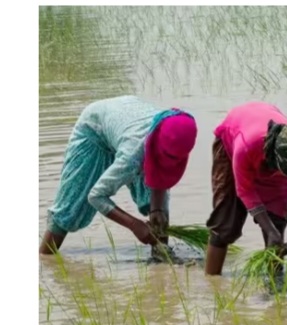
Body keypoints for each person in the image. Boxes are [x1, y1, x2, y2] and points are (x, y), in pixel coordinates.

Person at [40, 96, 198, 255]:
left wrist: (156, 209)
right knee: (69, 207)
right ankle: (44, 260)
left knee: (159, 206)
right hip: (94, 130)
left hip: (125, 120)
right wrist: (134, 225)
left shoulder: (175, 132)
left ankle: (161, 255)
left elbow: (161, 176)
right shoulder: (133, 156)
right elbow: (95, 196)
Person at [204, 102, 287, 276]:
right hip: (232, 141)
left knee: (277, 222)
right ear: (276, 160)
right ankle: (212, 282)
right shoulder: (246, 146)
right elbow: (245, 191)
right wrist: (269, 229)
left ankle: (276, 289)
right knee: (226, 223)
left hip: (274, 157)